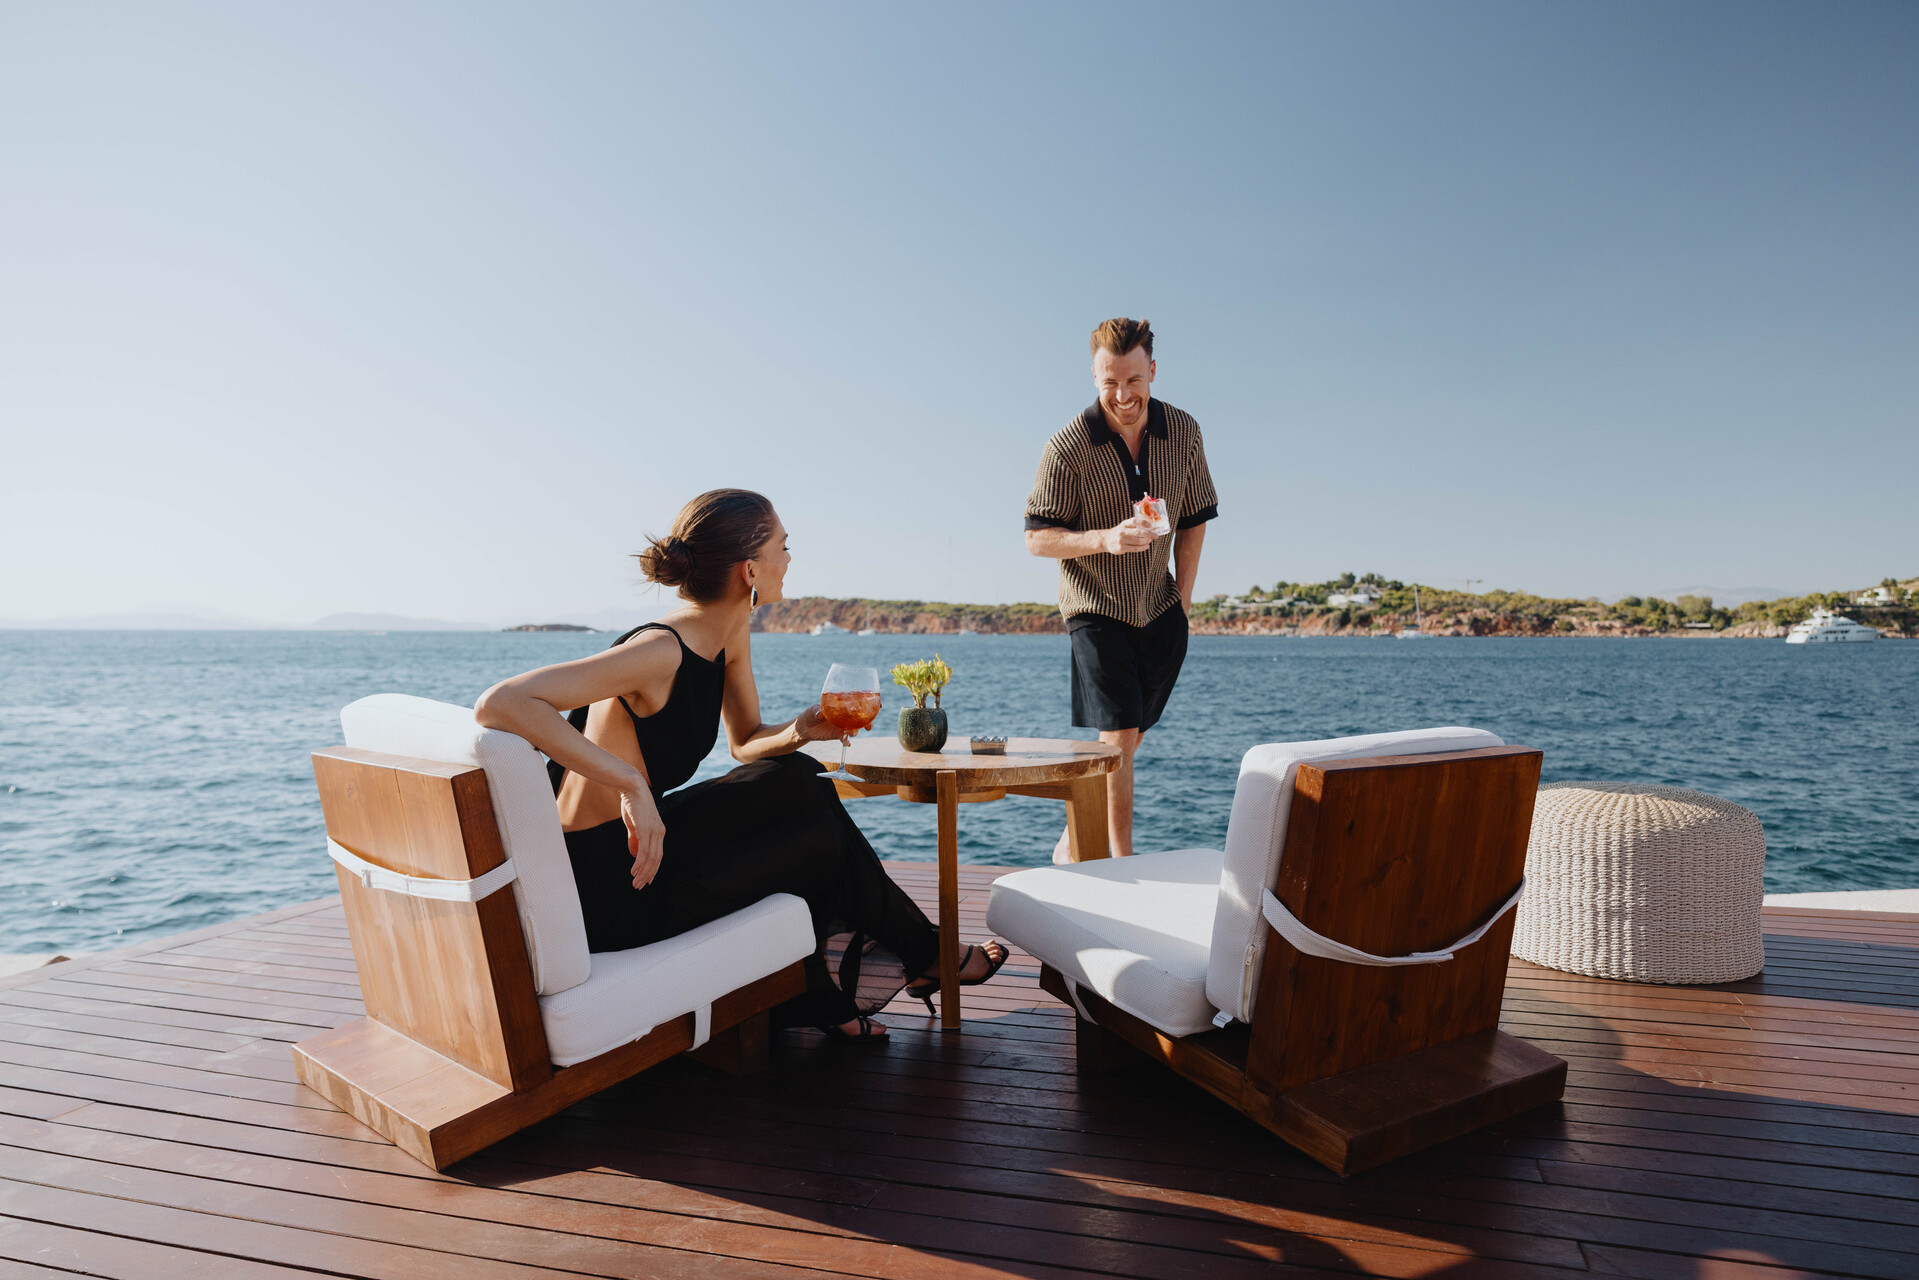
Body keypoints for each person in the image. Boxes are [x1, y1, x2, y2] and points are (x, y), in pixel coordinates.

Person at [475, 489, 1007, 1039]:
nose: (790, 558)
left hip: (647, 845)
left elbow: (746, 741)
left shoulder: (728, 630)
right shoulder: (660, 651)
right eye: (784, 545)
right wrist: (628, 782)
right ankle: (909, 963)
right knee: (816, 840)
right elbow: (500, 702)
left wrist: (801, 730)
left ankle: (879, 975)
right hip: (612, 883)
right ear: (750, 570)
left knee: (801, 776)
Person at [1024, 318, 1218, 860]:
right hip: (1095, 608)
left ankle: (1070, 844)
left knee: (1127, 743)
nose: (1123, 394)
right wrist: (1105, 539)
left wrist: (1183, 600)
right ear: (1093, 376)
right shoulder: (1068, 446)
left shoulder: (1185, 432)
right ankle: (1119, 869)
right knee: (1117, 742)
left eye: (1133, 380)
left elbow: (1196, 516)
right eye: (1110, 382)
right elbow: (1037, 540)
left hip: (1160, 608)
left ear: (1152, 371)